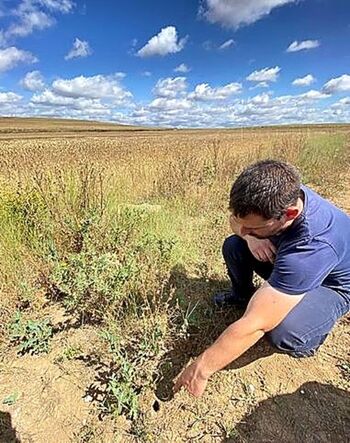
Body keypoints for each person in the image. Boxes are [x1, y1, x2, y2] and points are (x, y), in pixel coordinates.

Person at [174, 160, 350, 397]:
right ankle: (242, 296)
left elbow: (256, 323)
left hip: (333, 285)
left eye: (253, 227)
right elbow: (236, 223)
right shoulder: (280, 194)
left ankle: (307, 339)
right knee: (235, 245)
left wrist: (201, 368)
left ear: (289, 215)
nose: (243, 229)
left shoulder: (311, 246)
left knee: (282, 330)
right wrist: (252, 238)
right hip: (294, 261)